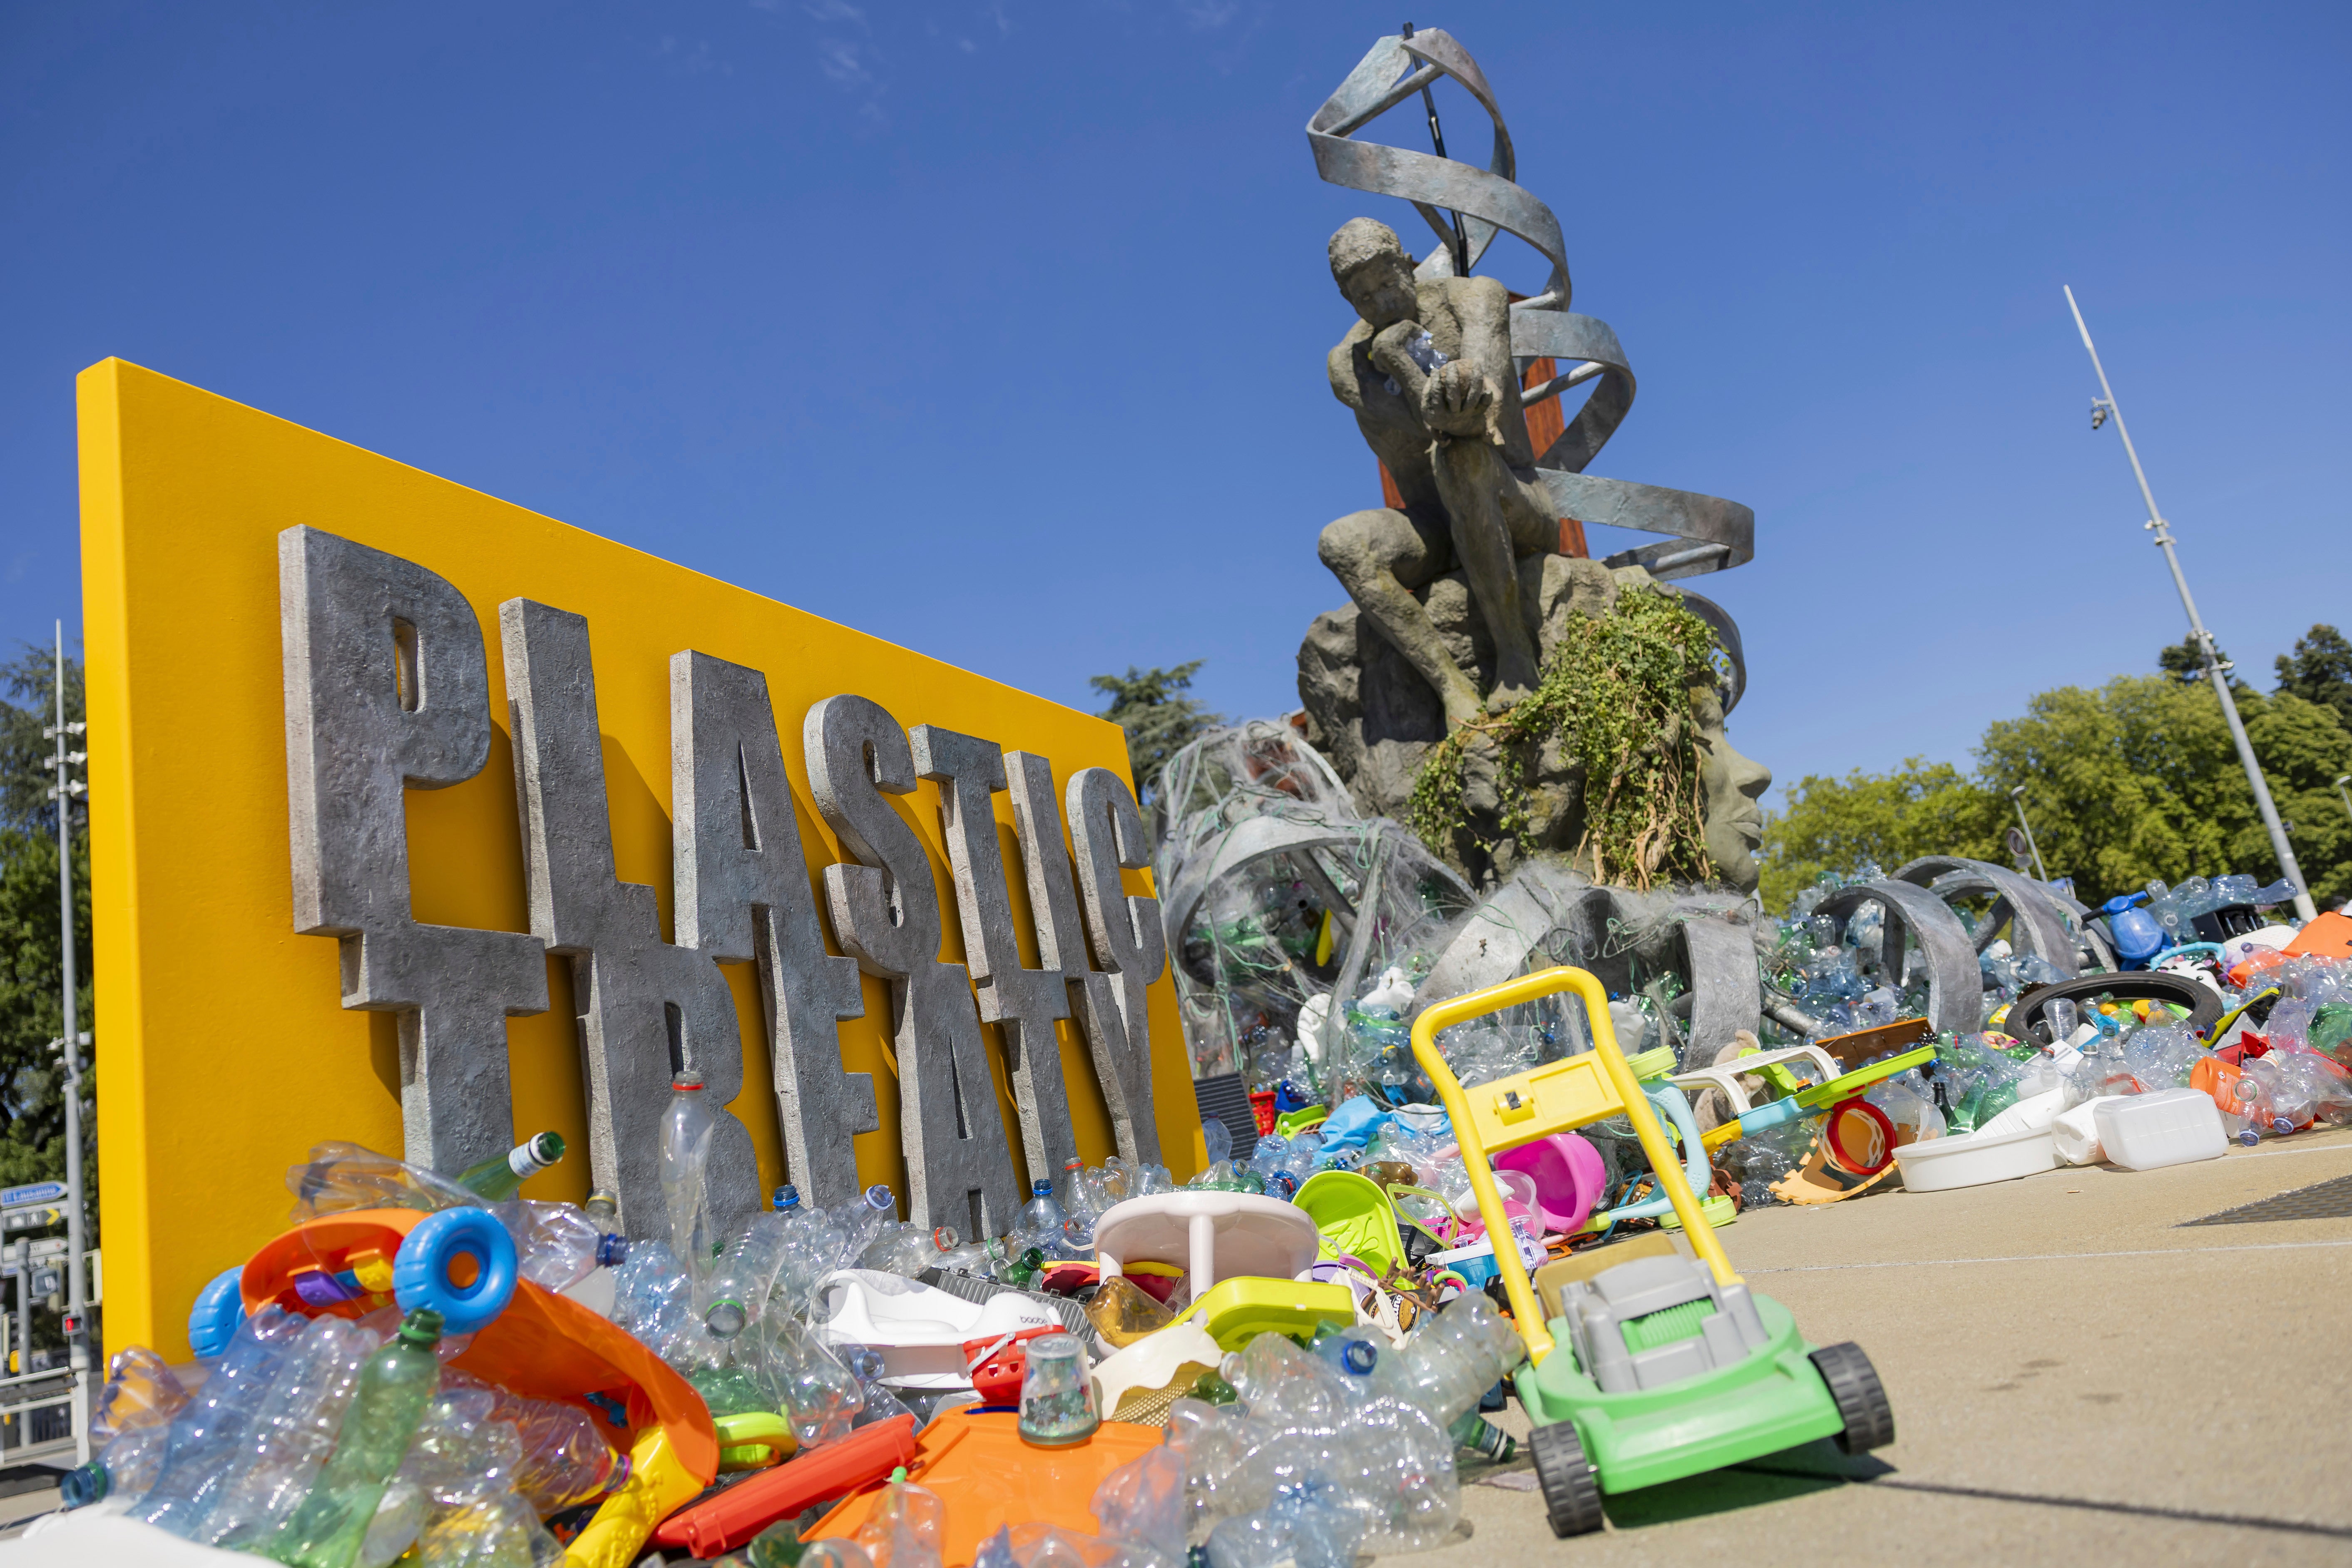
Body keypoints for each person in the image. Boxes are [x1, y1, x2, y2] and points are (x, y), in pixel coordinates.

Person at [1317, 216, 1562, 728]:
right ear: (1347, 301)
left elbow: (1477, 417)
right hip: (1436, 527)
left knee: (1460, 459)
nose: (1381, 303)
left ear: (1409, 266)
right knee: (1341, 542)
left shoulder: (1473, 297)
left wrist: (1406, 359)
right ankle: (1452, 688)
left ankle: (1515, 657)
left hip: (1514, 498)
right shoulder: (1348, 365)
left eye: (1387, 283)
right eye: (1364, 297)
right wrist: (1394, 357)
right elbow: (1426, 424)